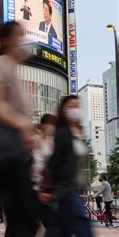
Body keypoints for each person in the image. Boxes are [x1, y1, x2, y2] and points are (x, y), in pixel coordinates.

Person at [0, 21, 38, 237]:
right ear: (7, 41)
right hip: (7, 156)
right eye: (19, 35)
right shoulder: (1, 65)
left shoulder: (12, 70)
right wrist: (22, 123)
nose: (23, 41)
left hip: (16, 156)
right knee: (23, 220)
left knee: (21, 220)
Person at [40, 95, 93, 236]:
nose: (75, 110)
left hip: (75, 188)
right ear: (63, 110)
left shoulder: (79, 134)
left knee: (57, 229)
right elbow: (55, 160)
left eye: (77, 106)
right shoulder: (63, 132)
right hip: (66, 187)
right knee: (82, 226)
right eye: (71, 106)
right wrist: (47, 188)